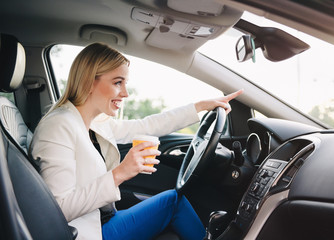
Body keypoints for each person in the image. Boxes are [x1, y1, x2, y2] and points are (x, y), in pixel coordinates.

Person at [29, 42, 243, 240]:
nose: (125, 93)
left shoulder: (94, 122)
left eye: (125, 83)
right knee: (173, 201)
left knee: (172, 201)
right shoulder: (58, 126)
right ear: (89, 81)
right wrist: (120, 173)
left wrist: (199, 107)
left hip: (102, 218)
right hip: (88, 233)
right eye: (117, 83)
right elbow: (59, 209)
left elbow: (147, 125)